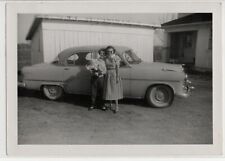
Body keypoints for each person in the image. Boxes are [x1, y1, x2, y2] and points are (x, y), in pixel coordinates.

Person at [103, 46, 123, 113]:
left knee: (115, 90)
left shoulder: (116, 58)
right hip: (107, 74)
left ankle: (117, 106)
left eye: (111, 51)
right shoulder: (105, 58)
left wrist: (117, 76)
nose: (110, 52)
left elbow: (117, 68)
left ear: (113, 51)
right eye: (108, 51)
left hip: (114, 74)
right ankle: (110, 104)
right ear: (107, 51)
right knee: (109, 89)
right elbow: (103, 66)